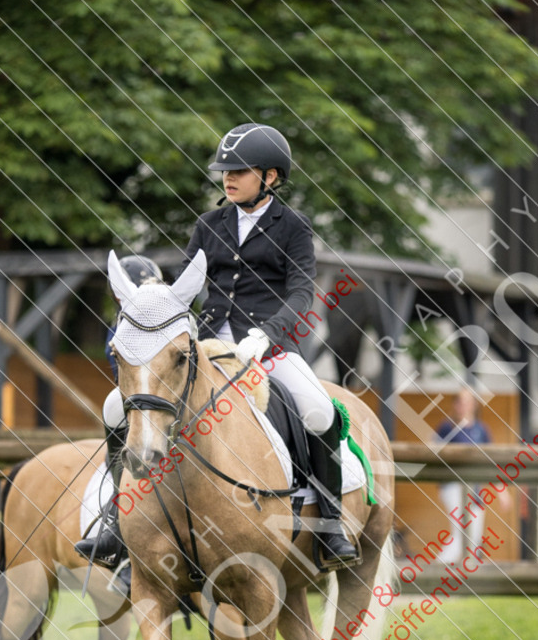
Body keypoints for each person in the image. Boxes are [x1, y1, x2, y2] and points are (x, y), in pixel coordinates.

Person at [182, 122, 358, 569]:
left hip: (268, 347)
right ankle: (117, 527)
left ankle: (330, 526)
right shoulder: (209, 225)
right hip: (208, 346)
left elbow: (302, 291)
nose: (228, 177)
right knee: (130, 404)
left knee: (319, 411)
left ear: (271, 177)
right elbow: (186, 285)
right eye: (225, 170)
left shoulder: (293, 226)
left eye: (240, 170)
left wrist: (267, 334)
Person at [75, 255, 163, 578]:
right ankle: (116, 525)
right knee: (113, 406)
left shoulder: (168, 315)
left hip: (172, 400)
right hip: (140, 403)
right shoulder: (119, 326)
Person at [434, 388, 510, 562]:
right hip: (452, 487)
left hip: (475, 490)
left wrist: (501, 491)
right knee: (460, 534)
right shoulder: (446, 428)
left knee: (475, 539)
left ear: (474, 405)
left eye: (468, 402)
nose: (464, 406)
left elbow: (490, 461)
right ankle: (434, 573)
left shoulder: (481, 430)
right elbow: (432, 451)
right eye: (460, 402)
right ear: (455, 404)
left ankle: (470, 583)